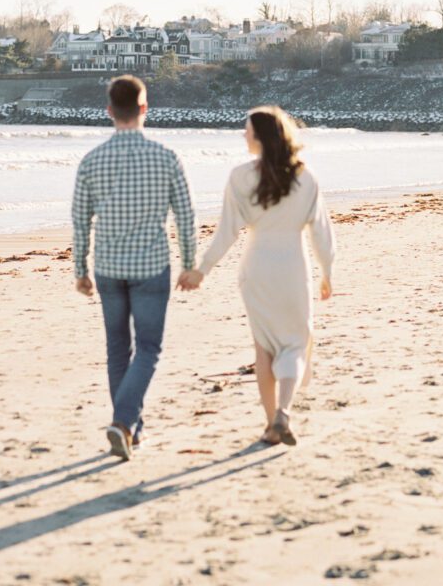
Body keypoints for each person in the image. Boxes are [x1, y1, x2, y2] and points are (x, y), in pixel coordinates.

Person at [181, 106, 336, 446]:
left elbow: (227, 232)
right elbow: (321, 232)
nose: (243, 135)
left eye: (247, 130)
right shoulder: (306, 177)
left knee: (263, 348)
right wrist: (327, 271)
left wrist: (202, 269)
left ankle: (270, 424)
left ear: (261, 137)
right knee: (295, 343)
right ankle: (283, 413)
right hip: (293, 268)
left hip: (257, 270)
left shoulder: (240, 177)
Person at [72, 74, 198, 461]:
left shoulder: (91, 160)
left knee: (117, 351)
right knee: (148, 348)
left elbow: (80, 221)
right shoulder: (166, 157)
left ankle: (130, 429)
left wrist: (80, 269)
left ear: (109, 111)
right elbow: (186, 216)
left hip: (109, 267)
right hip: (151, 266)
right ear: (145, 108)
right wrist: (189, 263)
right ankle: (125, 424)